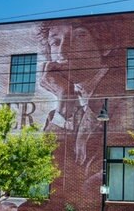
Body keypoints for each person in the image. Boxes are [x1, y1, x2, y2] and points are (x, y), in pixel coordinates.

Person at [37, 21, 114, 173]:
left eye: (78, 37)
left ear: (105, 44)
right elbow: (44, 171)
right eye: (55, 42)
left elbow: (87, 183)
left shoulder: (117, 98)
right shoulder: (58, 112)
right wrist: (64, 99)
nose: (63, 52)